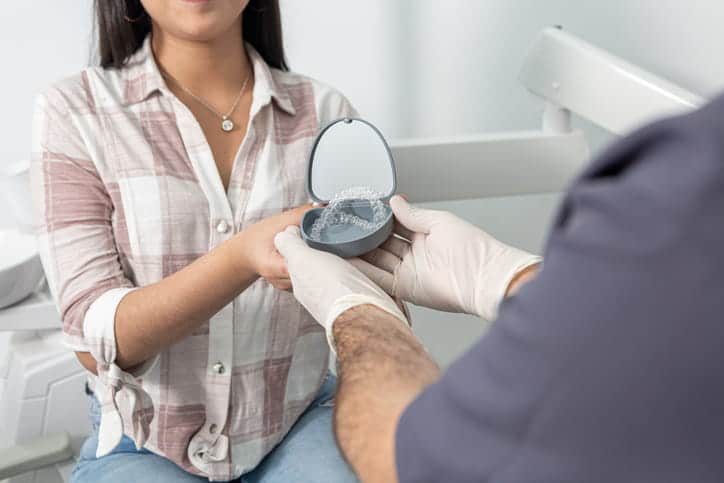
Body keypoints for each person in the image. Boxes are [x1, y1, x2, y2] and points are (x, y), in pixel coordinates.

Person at [275, 94, 724, 482]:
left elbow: (418, 457)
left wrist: (358, 313)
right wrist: (508, 276)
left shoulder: (684, 187)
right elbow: (645, 323)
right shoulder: (685, 182)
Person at [30, 0, 359, 481]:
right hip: (140, 442)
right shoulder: (75, 111)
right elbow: (94, 340)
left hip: (298, 419)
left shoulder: (327, 115)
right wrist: (242, 256)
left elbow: (358, 286)